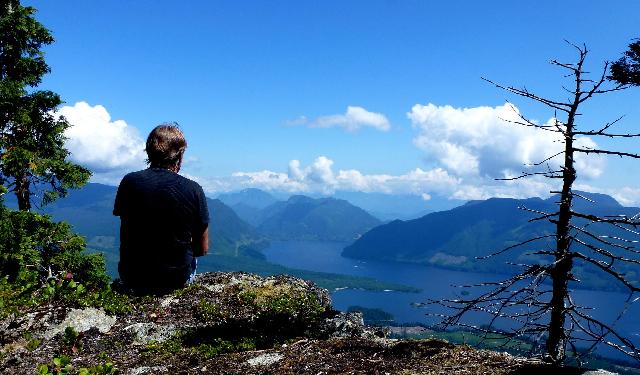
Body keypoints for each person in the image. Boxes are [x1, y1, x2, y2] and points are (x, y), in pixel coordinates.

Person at [113, 123, 209, 295]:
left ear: (149, 152)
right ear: (180, 155)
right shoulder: (194, 189)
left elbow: (126, 228)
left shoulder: (129, 182)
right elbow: (202, 249)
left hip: (133, 277)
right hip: (176, 279)